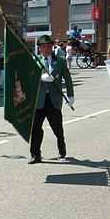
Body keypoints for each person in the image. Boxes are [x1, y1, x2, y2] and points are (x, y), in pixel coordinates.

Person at [29, 34, 74, 164]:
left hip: (54, 100)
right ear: (40, 48)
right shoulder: (36, 60)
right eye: (43, 46)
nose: (46, 49)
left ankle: (62, 151)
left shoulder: (60, 60)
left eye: (49, 46)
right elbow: (30, 78)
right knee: (35, 128)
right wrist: (40, 78)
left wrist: (70, 95)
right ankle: (35, 155)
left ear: (52, 46)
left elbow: (68, 78)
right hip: (40, 100)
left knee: (57, 128)